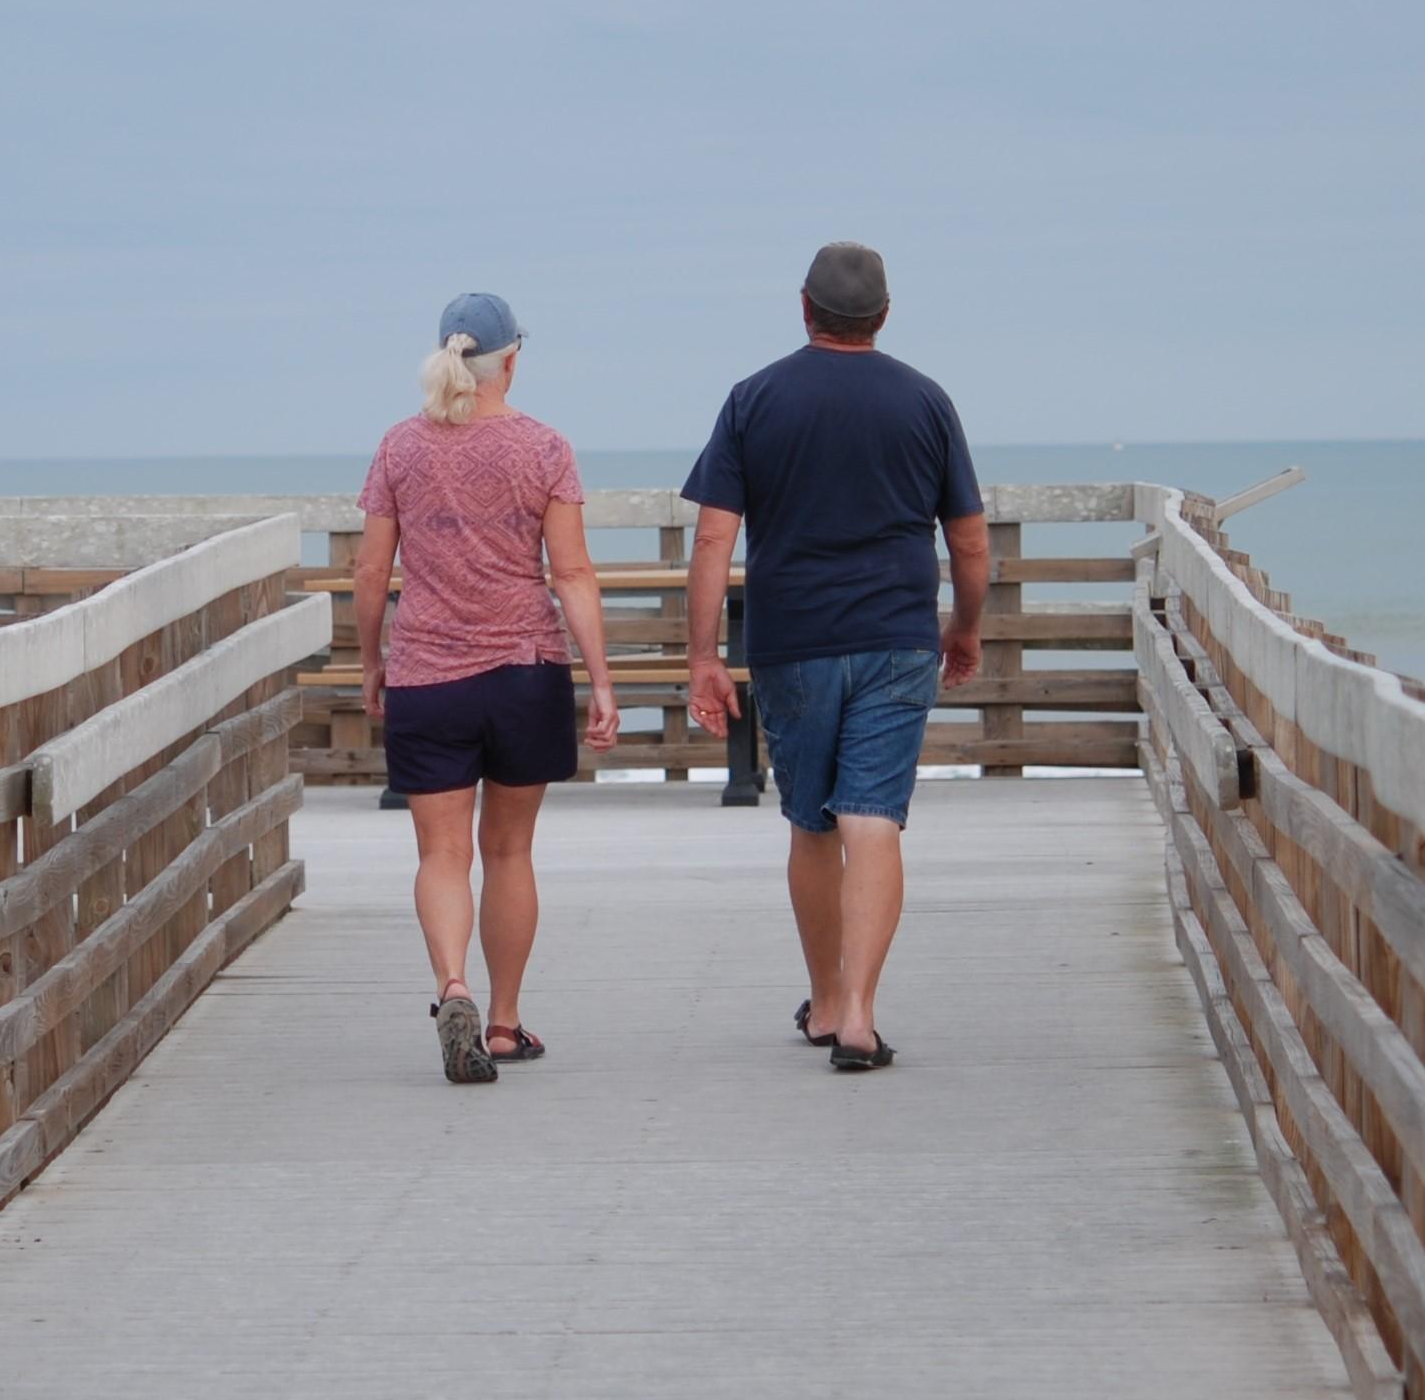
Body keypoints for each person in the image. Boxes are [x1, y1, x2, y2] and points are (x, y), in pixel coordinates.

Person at [679, 242, 987, 1073]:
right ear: (883, 316)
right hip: (897, 637)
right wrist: (964, 626)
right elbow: (969, 539)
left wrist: (704, 655)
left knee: (813, 821)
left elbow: (714, 535)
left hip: (795, 641)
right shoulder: (927, 401)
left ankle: (822, 1001)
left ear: (804, 307)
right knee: (874, 816)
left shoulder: (754, 399)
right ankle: (860, 1013)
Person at [357, 291, 620, 1085]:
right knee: (508, 851)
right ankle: (502, 1023)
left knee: (441, 854)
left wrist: (373, 662)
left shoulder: (399, 447)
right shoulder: (545, 448)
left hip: (428, 678)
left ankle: (452, 988)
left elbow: (372, 572)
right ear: (512, 358)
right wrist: (602, 680)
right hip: (522, 673)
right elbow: (571, 573)